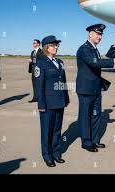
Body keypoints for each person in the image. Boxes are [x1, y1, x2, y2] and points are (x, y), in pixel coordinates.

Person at [76, 24, 115, 152]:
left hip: (96, 89)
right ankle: (86, 142)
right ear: (90, 34)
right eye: (97, 34)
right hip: (86, 90)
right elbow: (95, 63)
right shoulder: (84, 49)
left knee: (96, 115)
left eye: (101, 35)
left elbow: (97, 62)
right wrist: (114, 61)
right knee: (86, 116)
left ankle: (95, 140)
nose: (99, 37)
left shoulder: (94, 49)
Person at [34, 35, 70, 167]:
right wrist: (41, 104)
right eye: (53, 45)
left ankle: (56, 153)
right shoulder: (40, 63)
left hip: (59, 102)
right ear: (46, 47)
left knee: (57, 130)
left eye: (56, 45)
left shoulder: (60, 62)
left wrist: (65, 97)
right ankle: (47, 155)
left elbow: (63, 82)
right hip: (48, 104)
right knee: (46, 131)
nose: (56, 47)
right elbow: (39, 86)